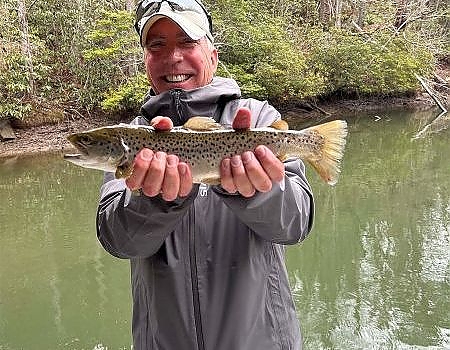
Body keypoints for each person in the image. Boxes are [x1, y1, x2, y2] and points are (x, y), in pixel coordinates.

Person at [96, 0, 315, 349]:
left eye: (187, 42)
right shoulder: (132, 137)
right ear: (145, 61)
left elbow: (295, 224)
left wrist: (256, 191)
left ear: (212, 55)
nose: (173, 57)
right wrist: (156, 200)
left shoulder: (256, 119)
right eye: (157, 45)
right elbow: (119, 242)